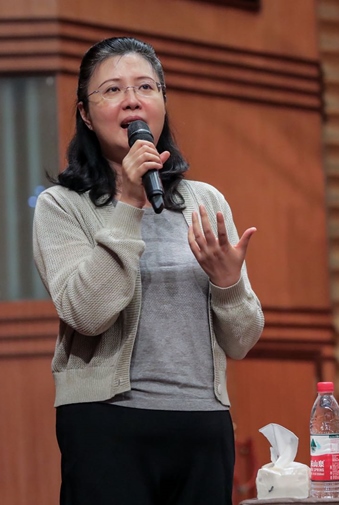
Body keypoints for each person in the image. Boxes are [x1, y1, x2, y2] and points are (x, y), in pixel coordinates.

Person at [32, 36, 265, 505]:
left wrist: (227, 284)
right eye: (112, 90)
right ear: (85, 113)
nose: (132, 100)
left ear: (162, 101)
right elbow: (87, 313)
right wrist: (127, 203)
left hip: (202, 422)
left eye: (145, 87)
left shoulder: (205, 201)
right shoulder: (63, 206)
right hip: (106, 424)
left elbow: (242, 340)